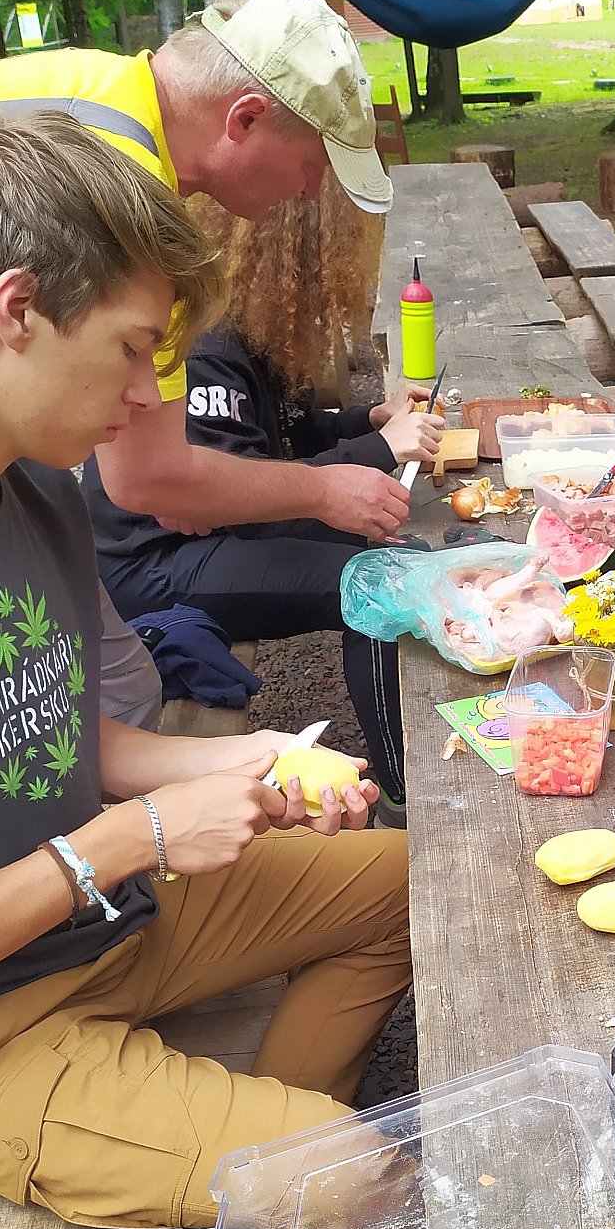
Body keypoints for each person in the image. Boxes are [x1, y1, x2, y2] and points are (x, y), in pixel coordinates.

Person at [0, 109, 413, 1229]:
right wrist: (129, 841)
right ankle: (274, 1184)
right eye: (132, 352)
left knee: (406, 885)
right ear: (16, 308)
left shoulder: (33, 489)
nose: (143, 399)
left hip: (101, 915)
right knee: (356, 1182)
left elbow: (46, 734)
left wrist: (244, 761)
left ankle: (224, 1213)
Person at [0, 0, 414, 720]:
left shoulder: (89, 87)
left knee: (109, 693)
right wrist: (324, 492)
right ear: (245, 118)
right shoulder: (126, 187)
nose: (311, 191)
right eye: (313, 161)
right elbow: (149, 480)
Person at [84, 180, 442, 826]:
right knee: (377, 586)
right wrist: (376, 452)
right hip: (157, 559)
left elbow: (283, 430)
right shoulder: (207, 345)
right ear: (298, 258)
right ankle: (401, 798)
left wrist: (367, 421)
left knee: (393, 557)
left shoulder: (247, 326)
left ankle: (404, 755)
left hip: (207, 536)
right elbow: (236, 491)